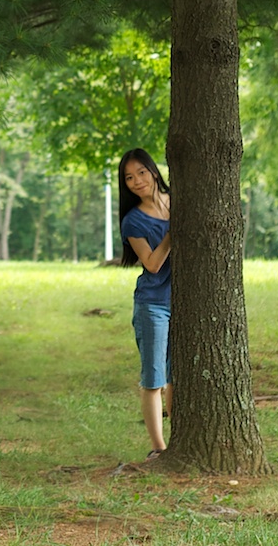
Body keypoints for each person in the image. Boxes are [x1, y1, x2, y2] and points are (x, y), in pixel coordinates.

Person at [117, 147, 172, 461]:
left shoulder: (177, 199)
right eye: (129, 178)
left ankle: (182, 441)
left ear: (153, 170)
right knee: (154, 377)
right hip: (153, 305)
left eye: (141, 172)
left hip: (184, 303)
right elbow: (151, 264)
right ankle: (158, 449)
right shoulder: (133, 221)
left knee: (177, 376)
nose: (137, 181)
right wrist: (172, 232)